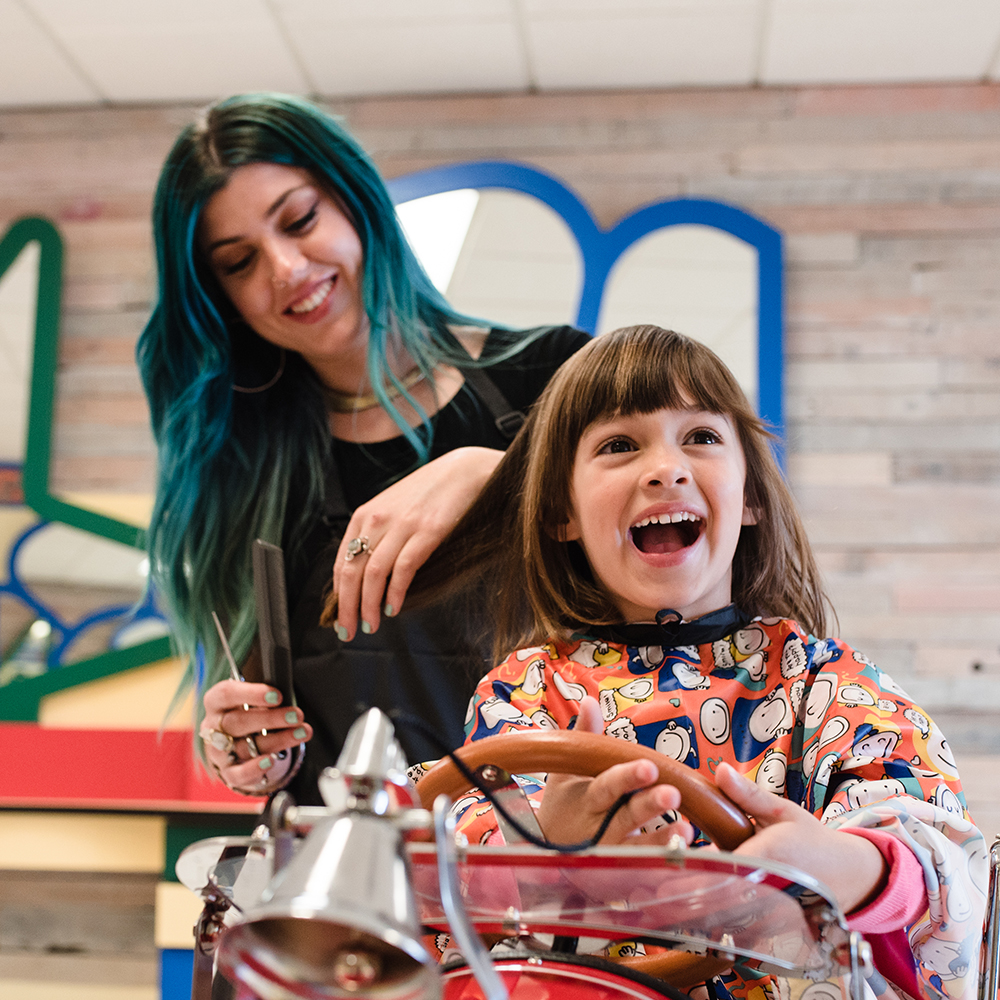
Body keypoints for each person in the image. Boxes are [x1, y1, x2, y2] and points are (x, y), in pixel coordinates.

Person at [402, 325, 986, 1000]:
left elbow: (928, 838)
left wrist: (841, 865)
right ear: (562, 512)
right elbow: (445, 864)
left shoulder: (824, 683)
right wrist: (542, 843)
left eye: (701, 437)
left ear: (752, 500)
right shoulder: (528, 693)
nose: (665, 469)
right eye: (620, 445)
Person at [136, 92, 590, 803]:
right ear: (217, 295)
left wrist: (490, 473)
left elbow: (673, 560)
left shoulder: (553, 377)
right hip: (350, 880)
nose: (284, 269)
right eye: (238, 261)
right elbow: (278, 713)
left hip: (546, 862)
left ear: (355, 200)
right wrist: (253, 748)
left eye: (300, 220)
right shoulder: (248, 464)